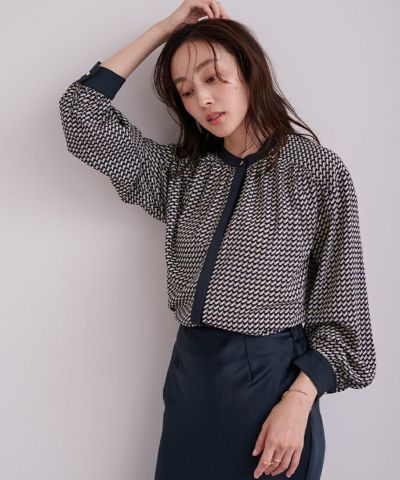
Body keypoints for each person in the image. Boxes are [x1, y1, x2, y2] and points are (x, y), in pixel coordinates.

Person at [58, 1, 377, 479]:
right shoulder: (181, 176)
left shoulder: (315, 171)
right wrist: (163, 30)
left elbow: (344, 311)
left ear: (249, 73)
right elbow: (81, 115)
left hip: (273, 392)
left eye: (213, 77)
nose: (203, 99)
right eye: (186, 91)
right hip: (191, 384)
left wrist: (298, 402)